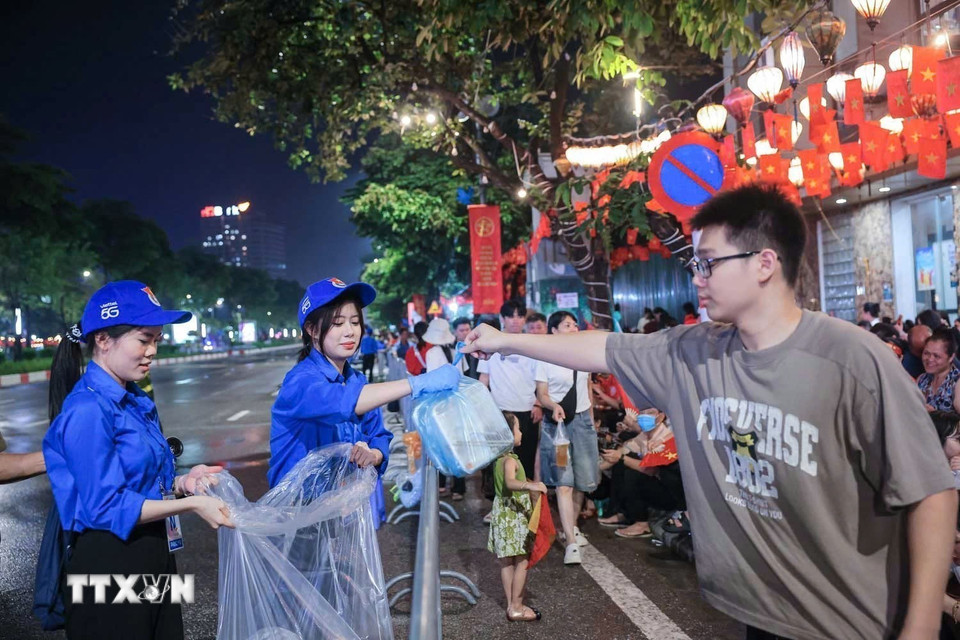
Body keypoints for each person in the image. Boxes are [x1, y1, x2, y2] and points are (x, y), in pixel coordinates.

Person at [461, 184, 957, 640]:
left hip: (851, 625)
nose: (697, 278)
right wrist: (504, 340)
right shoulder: (694, 350)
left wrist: (920, 630)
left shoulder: (853, 361)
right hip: (759, 618)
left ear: (764, 263)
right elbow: (603, 348)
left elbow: (930, 492)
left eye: (709, 263)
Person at [42, 281, 235, 640]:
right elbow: (105, 506)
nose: (152, 351)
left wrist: (183, 483)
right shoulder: (87, 409)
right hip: (108, 564)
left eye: (156, 341)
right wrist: (193, 505)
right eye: (143, 339)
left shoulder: (134, 400)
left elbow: (144, 482)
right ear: (103, 339)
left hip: (155, 551)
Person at [269, 278, 460, 528]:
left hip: (347, 513)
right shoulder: (300, 382)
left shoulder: (356, 379)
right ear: (312, 329)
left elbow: (378, 433)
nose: (350, 331)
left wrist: (374, 454)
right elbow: (341, 403)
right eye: (337, 323)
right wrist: (416, 384)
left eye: (355, 321)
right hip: (302, 518)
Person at [534, 310, 598, 565]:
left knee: (582, 478)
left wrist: (591, 419)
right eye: (567, 325)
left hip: (582, 423)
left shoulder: (584, 354)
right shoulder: (544, 357)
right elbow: (541, 393)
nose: (573, 328)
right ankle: (570, 540)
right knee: (564, 481)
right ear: (554, 331)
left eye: (574, 324)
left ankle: (572, 526)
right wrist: (551, 406)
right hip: (557, 425)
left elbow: (588, 386)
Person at [488, 411, 546, 622]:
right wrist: (531, 485)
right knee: (522, 561)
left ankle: (511, 604)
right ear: (507, 434)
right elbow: (511, 483)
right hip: (515, 516)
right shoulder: (509, 461)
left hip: (502, 515)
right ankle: (517, 606)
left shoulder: (498, 459)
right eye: (518, 428)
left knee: (506, 563)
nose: (520, 432)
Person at [478, 300, 542, 480]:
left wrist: (538, 403)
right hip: (500, 413)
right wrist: (483, 409)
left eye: (520, 316)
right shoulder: (490, 345)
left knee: (526, 462)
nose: (515, 320)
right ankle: (498, 504)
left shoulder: (534, 345)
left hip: (528, 412)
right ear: (502, 319)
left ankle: (525, 504)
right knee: (498, 462)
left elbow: (541, 379)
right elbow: (483, 381)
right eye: (510, 316)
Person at [423, 317, 466, 501]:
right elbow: (462, 376)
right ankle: (459, 487)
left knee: (440, 445)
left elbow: (432, 380)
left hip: (440, 405)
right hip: (457, 403)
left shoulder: (432, 352)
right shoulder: (457, 350)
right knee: (458, 446)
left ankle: (440, 484)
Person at [919, 328, 960, 413]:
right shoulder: (922, 379)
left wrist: (937, 416)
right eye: (926, 353)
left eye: (936, 356)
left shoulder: (957, 382)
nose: (930, 359)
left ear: (951, 357)